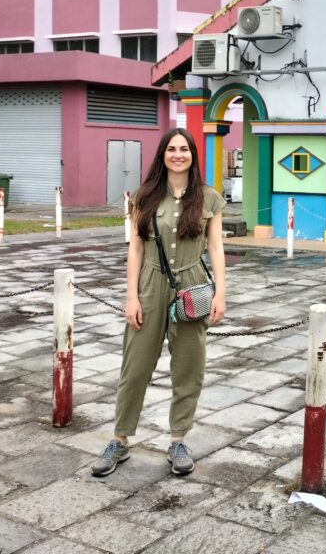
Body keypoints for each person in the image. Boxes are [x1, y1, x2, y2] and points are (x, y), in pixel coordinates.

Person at [92, 128, 226, 477]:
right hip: (150, 284)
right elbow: (135, 248)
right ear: (162, 155)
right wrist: (131, 295)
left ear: (193, 155)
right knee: (134, 366)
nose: (178, 154)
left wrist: (222, 292)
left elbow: (215, 247)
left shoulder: (209, 198)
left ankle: (178, 439)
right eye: (172, 149)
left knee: (189, 368)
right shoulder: (145, 196)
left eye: (184, 149)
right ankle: (119, 440)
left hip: (193, 286)